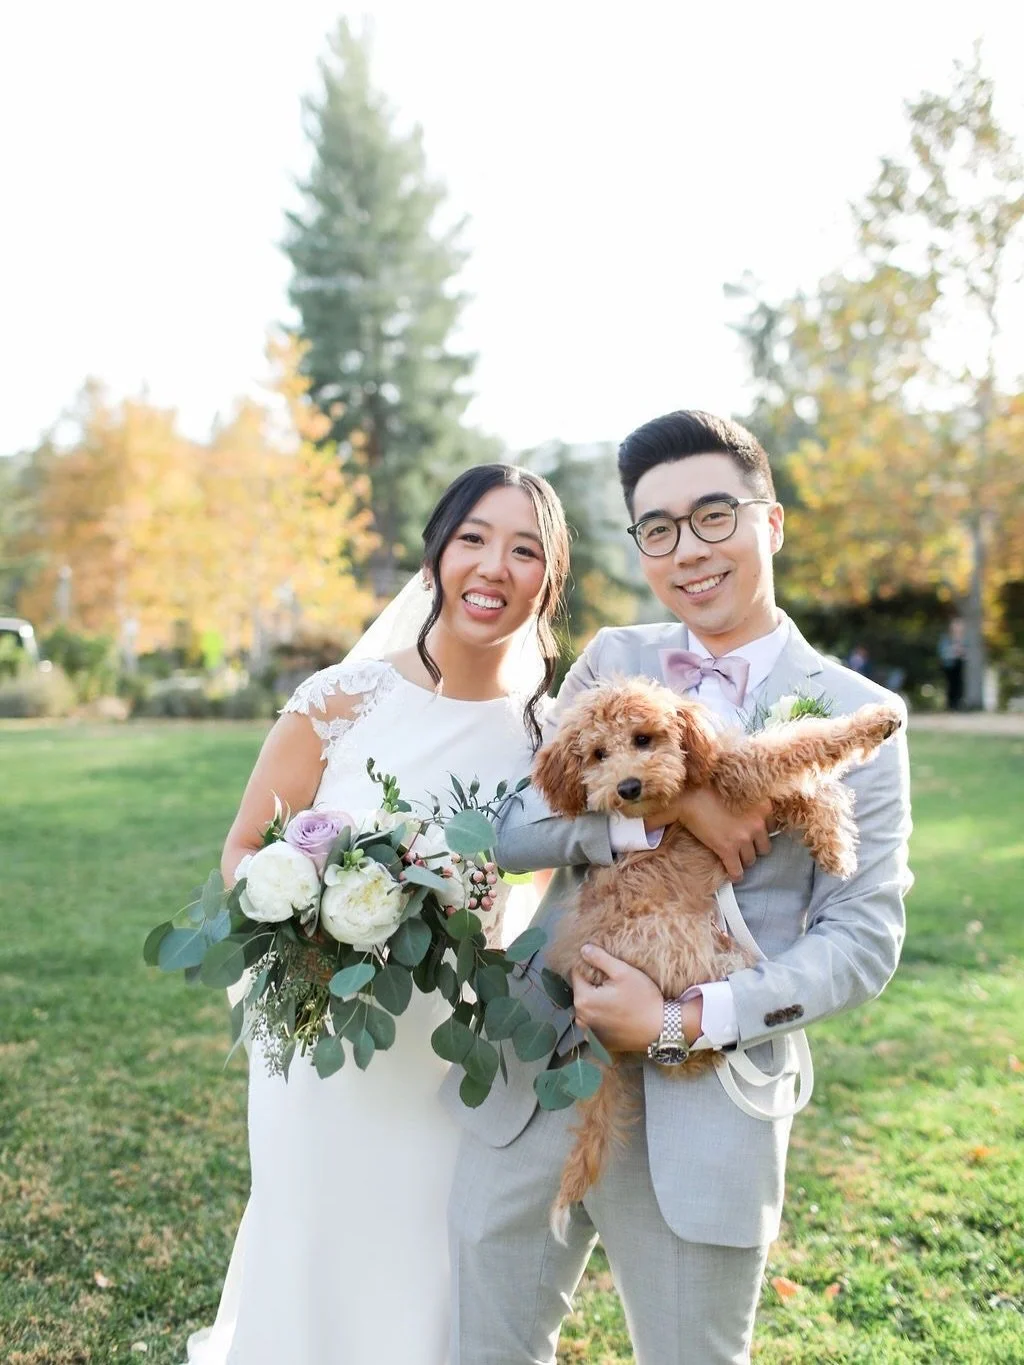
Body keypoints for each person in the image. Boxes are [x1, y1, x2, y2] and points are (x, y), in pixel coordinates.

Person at [445, 410, 913, 1364]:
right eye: (657, 529)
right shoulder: (614, 658)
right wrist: (666, 812)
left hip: (710, 1100)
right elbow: (509, 824)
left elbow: (862, 940)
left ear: (769, 522)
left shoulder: (860, 715)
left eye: (713, 516)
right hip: (541, 1069)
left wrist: (681, 1021)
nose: (687, 551)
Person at [185, 464, 571, 1365]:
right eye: (474, 537)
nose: (494, 566)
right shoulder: (340, 700)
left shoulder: (551, 732)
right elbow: (245, 848)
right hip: (330, 1030)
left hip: (456, 1042)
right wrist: (314, 912)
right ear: (437, 552)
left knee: (432, 1256)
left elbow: (545, 890)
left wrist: (494, 911)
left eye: (526, 550)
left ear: (548, 582)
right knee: (317, 1232)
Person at [938, 618, 965, 711]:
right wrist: (953, 651)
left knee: (959, 686)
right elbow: (942, 653)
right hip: (950, 665)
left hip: (960, 665)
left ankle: (958, 705)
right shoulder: (946, 638)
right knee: (951, 686)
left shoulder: (964, 638)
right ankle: (951, 706)